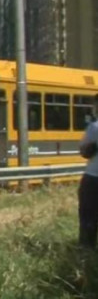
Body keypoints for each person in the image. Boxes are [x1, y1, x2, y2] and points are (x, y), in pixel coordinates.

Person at [78, 94, 98, 248]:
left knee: (88, 217)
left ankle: (86, 251)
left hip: (93, 178)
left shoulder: (95, 127)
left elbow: (84, 151)